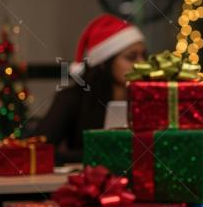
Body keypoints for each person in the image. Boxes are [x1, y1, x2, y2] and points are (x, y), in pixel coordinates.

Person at [35, 14, 145, 164]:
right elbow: (38, 150)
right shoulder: (73, 98)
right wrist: (97, 157)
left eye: (143, 56)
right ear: (104, 62)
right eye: (131, 57)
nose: (142, 64)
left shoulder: (148, 99)